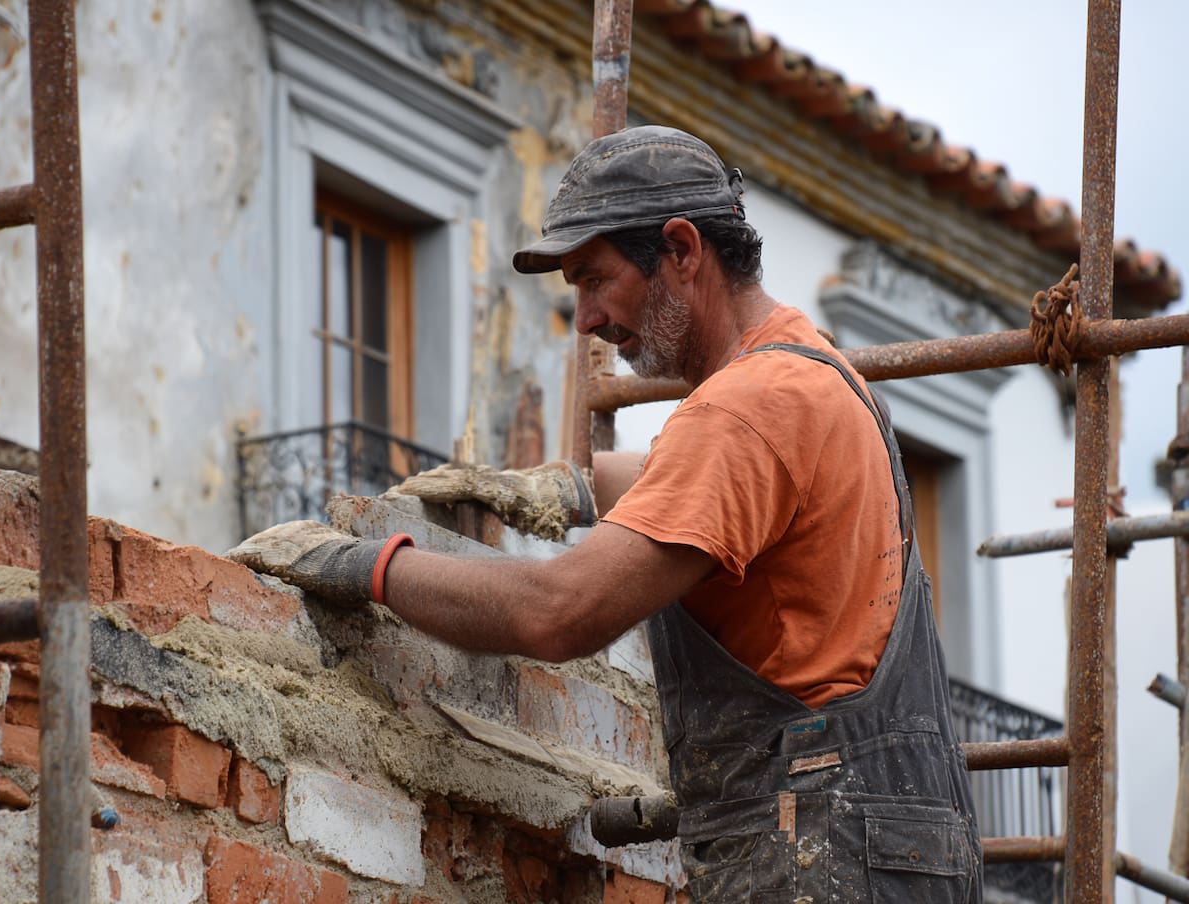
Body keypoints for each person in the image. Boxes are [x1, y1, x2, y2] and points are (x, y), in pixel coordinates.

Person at [231, 125, 982, 902]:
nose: (585, 319)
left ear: (683, 250)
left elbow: (561, 612)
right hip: (893, 850)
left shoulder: (747, 408)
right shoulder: (819, 374)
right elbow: (699, 482)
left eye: (595, 278)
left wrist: (363, 565)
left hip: (820, 855)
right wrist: (570, 487)